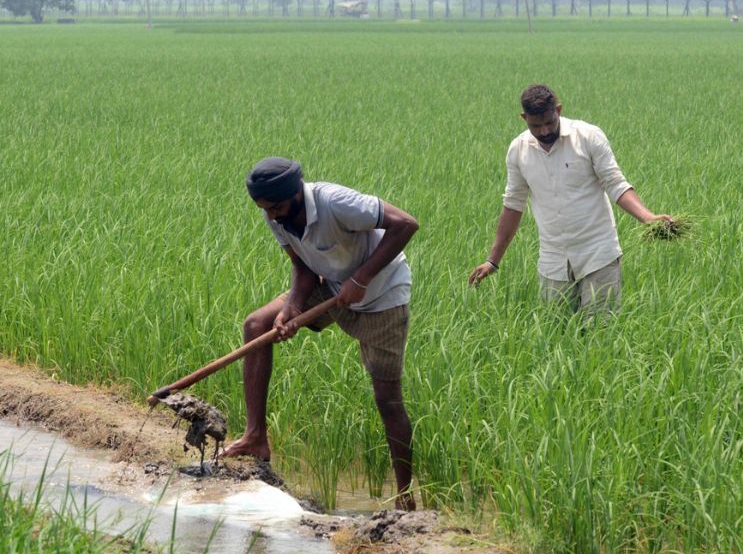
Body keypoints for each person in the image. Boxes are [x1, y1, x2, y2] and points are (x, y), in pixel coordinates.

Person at [221, 157, 421, 511]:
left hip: (382, 295)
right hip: (331, 284)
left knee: (387, 398)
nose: (272, 216)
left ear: (297, 193)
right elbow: (302, 265)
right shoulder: (276, 216)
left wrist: (362, 278)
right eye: (264, 209)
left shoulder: (335, 202)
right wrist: (292, 307)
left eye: (277, 207)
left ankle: (405, 497)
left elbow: (405, 224)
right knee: (258, 325)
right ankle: (255, 437)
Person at [468, 84, 673, 320]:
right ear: (524, 118)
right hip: (553, 260)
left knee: (601, 332)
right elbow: (513, 204)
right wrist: (492, 261)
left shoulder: (587, 136)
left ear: (559, 109)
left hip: (598, 254)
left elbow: (615, 183)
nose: (544, 131)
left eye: (549, 122)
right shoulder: (518, 150)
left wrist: (648, 218)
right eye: (536, 125)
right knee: (557, 334)